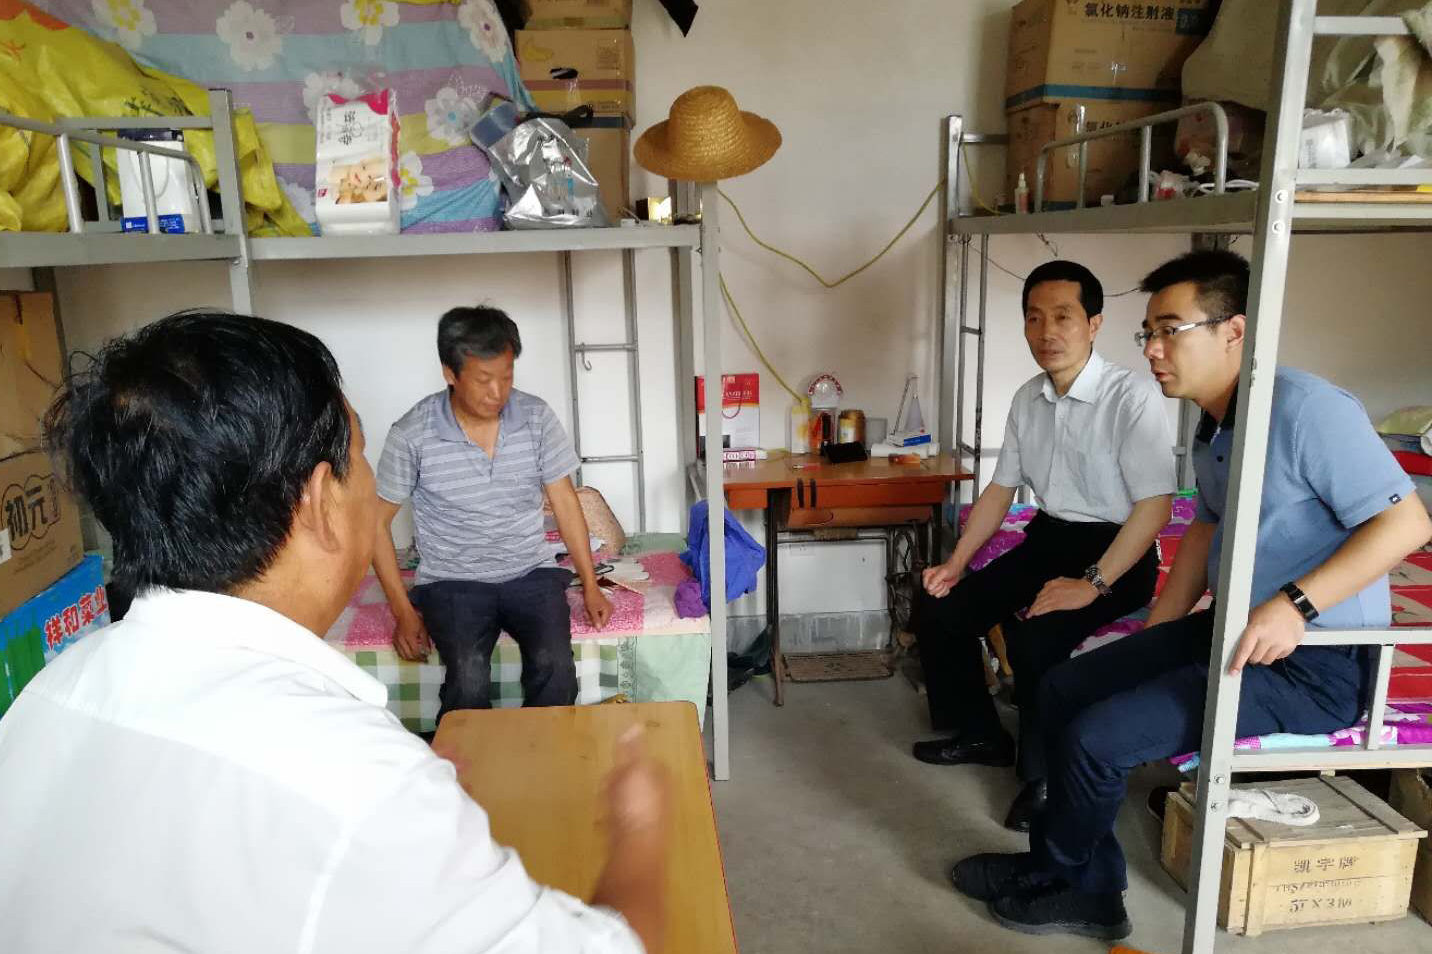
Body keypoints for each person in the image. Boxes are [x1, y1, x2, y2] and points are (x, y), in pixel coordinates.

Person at [0, 311, 669, 953]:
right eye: (359, 454)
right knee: (466, 674)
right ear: (321, 501)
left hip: (521, 578)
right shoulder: (355, 781)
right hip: (453, 589)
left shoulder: (44, 698)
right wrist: (639, 824)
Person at [954, 250, 1432, 940]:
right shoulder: (1215, 423)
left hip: (1313, 661)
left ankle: (1087, 894)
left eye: (1169, 330)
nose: (1152, 349)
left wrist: (1295, 604)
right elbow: (1204, 529)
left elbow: (1408, 524)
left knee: (1098, 738)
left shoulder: (1306, 409)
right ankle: (1057, 867)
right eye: (1147, 333)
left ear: (1234, 331)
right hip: (1229, 630)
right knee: (1061, 688)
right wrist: (1156, 634)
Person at [913, 260, 1175, 832]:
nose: (1046, 332)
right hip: (1049, 537)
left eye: (1063, 317)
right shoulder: (1028, 398)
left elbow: (1155, 508)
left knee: (1036, 640)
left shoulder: (1130, 396)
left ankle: (1045, 778)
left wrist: (1092, 584)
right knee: (940, 606)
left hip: (1118, 553)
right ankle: (980, 734)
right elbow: (1000, 489)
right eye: (1034, 318)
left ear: (1094, 324)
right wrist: (955, 563)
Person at [373, 305, 612, 720]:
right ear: (450, 373)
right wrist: (403, 611)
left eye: (507, 377)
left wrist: (590, 584)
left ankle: (542, 754)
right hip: (453, 581)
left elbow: (565, 502)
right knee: (467, 678)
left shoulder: (535, 417)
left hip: (530, 572)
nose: (497, 393)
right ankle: (467, 761)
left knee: (556, 668)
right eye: (483, 380)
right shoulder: (412, 433)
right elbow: (375, 525)